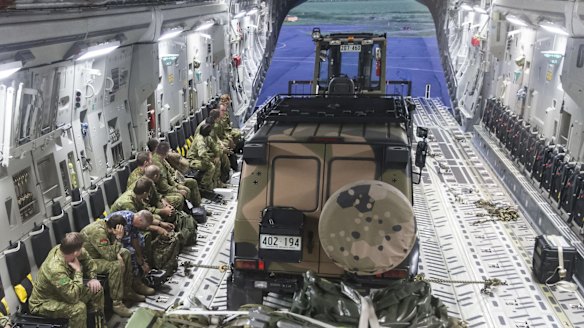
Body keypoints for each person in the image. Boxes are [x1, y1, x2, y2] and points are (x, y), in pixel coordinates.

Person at [29, 233, 104, 328]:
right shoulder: (55, 269)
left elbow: (88, 261)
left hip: (63, 292)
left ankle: (99, 326)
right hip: (44, 303)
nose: (83, 250)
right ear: (76, 252)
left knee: (96, 289)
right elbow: (73, 298)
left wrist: (93, 278)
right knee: (78, 309)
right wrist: (78, 271)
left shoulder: (67, 250)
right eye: (81, 248)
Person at [80, 215, 143, 317]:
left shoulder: (107, 226)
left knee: (125, 253)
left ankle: (127, 291)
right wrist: (118, 238)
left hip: (99, 254)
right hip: (89, 261)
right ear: (114, 229)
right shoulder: (98, 232)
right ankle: (117, 303)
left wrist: (118, 254)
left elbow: (112, 249)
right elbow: (110, 256)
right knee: (115, 265)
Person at [104, 210, 157, 296]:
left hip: (118, 240)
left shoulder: (134, 220)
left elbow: (134, 240)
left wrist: (141, 260)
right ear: (140, 220)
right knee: (130, 252)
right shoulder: (123, 221)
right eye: (143, 226)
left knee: (141, 242)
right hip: (109, 242)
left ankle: (139, 276)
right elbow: (114, 238)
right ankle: (134, 284)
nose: (143, 228)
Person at [151, 141, 202, 208]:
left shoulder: (162, 159)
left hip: (173, 182)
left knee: (192, 182)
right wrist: (177, 190)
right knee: (185, 191)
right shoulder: (158, 164)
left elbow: (170, 175)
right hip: (163, 191)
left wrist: (177, 185)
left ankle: (198, 207)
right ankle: (187, 211)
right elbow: (164, 187)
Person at [187, 123, 220, 191]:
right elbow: (202, 153)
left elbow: (214, 147)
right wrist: (209, 161)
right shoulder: (200, 140)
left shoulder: (207, 137)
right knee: (211, 167)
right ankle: (204, 185)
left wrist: (217, 155)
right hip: (193, 160)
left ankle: (214, 183)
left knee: (217, 162)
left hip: (201, 158)